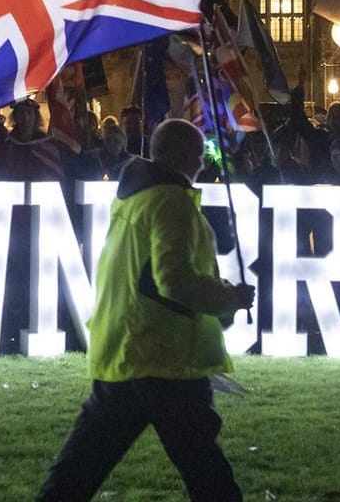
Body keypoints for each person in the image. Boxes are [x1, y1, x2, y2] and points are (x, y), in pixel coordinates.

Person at [37, 118, 254, 502]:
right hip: (164, 354)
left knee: (80, 468)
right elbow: (174, 280)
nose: (203, 162)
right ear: (180, 155)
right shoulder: (171, 201)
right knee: (207, 472)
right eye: (197, 153)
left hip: (125, 348)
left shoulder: (133, 197)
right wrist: (228, 298)